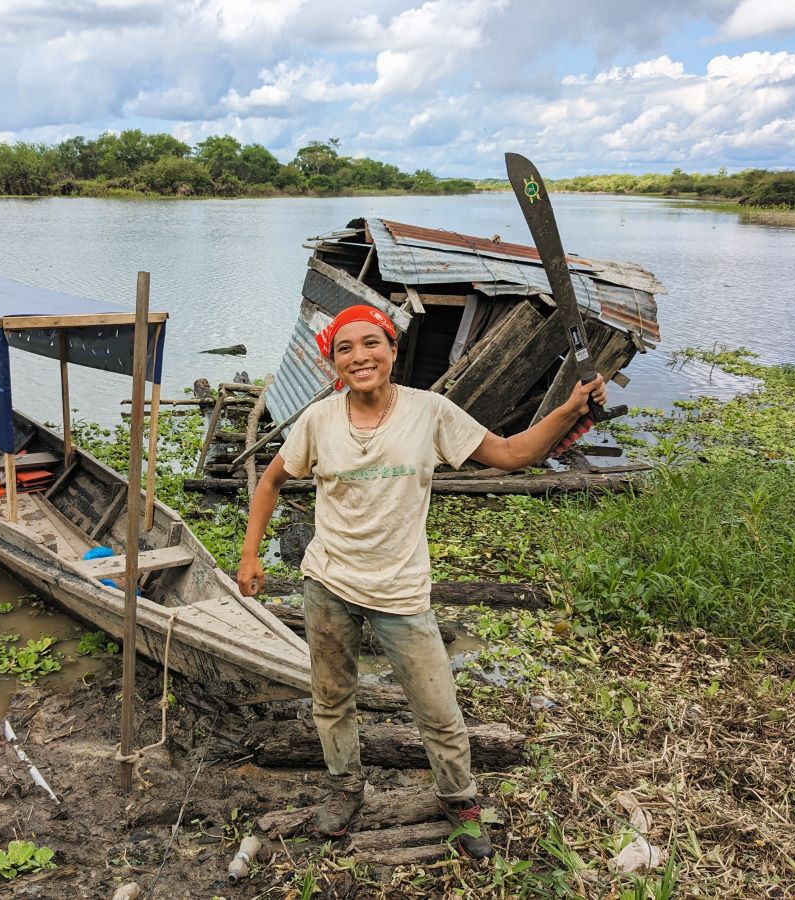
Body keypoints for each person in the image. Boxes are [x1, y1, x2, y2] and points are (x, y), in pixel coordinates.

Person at [236, 304, 607, 860]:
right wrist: (249, 555)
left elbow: (511, 454)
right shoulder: (318, 421)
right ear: (333, 363)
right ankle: (344, 787)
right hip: (328, 582)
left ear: (391, 349)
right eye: (345, 348)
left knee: (437, 707)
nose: (360, 356)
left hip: (402, 593)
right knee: (333, 698)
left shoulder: (430, 411)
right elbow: (270, 482)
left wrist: (569, 409)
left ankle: (459, 801)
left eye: (371, 344)